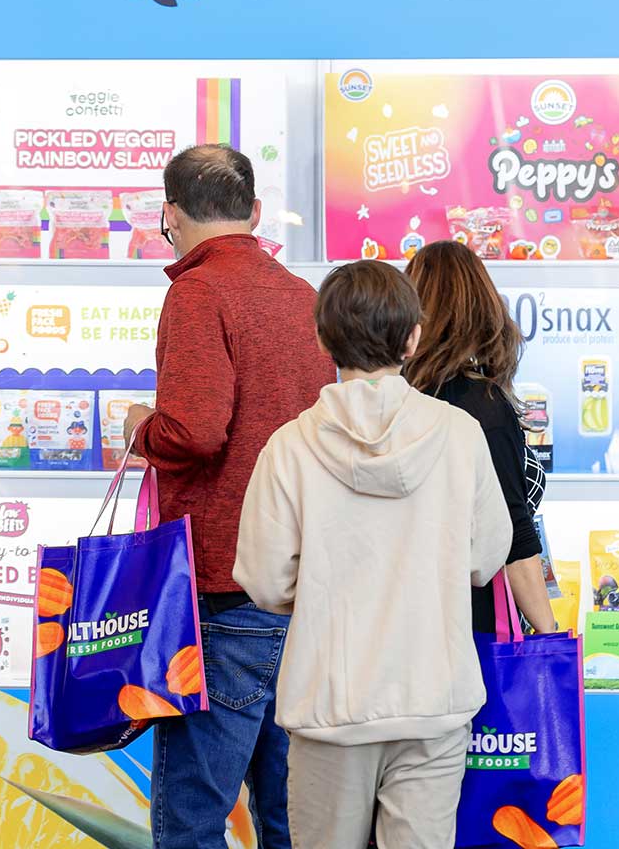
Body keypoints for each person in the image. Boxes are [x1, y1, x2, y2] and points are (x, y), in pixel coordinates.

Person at [233, 259, 512, 849]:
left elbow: (263, 578)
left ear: (321, 338)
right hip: (433, 699)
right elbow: (486, 558)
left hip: (329, 707)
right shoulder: (459, 434)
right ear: (413, 338)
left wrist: (317, 591)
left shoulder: (290, 446)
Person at [122, 143, 331, 849]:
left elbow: (197, 430)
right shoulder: (304, 297)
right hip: (303, 588)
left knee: (192, 814)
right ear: (257, 213)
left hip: (220, 584)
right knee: (289, 814)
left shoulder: (198, 292)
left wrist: (141, 430)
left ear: (170, 215)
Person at [404, 241, 557, 635]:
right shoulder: (482, 407)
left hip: (408, 618)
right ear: (481, 308)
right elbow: (513, 537)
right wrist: (548, 633)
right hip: (475, 625)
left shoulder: (400, 398)